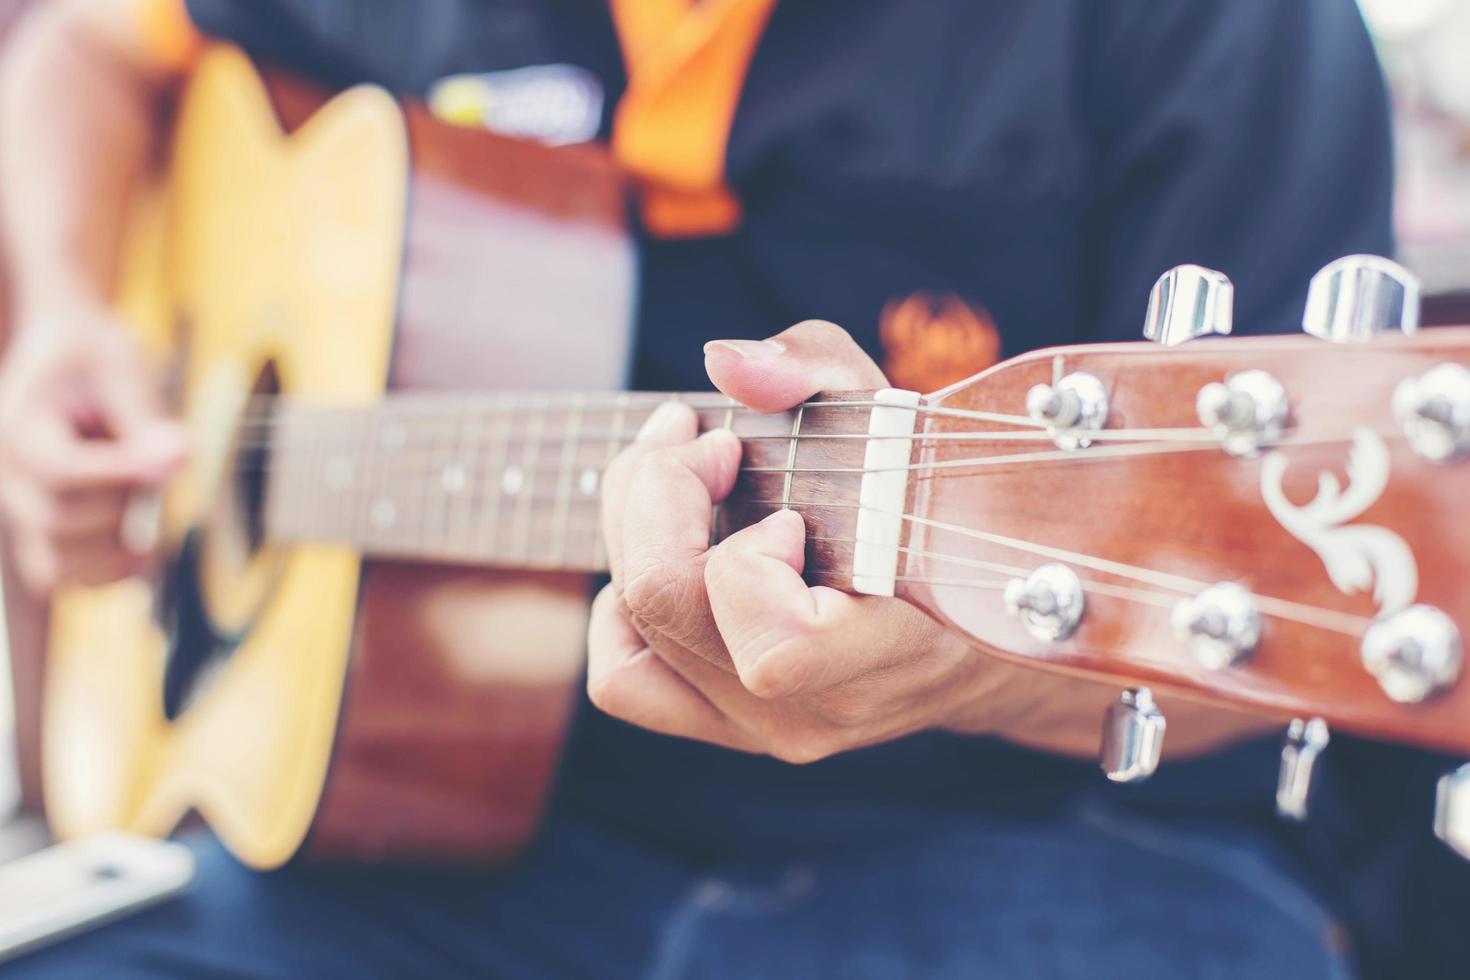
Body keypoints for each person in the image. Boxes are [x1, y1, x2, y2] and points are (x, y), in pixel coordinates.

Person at [0, 0, 1429, 976]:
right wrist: (65, 311)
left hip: (1044, 845)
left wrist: (970, 674)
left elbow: (1275, 598)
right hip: (421, 842)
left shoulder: (1223, 30)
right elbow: (80, 48)